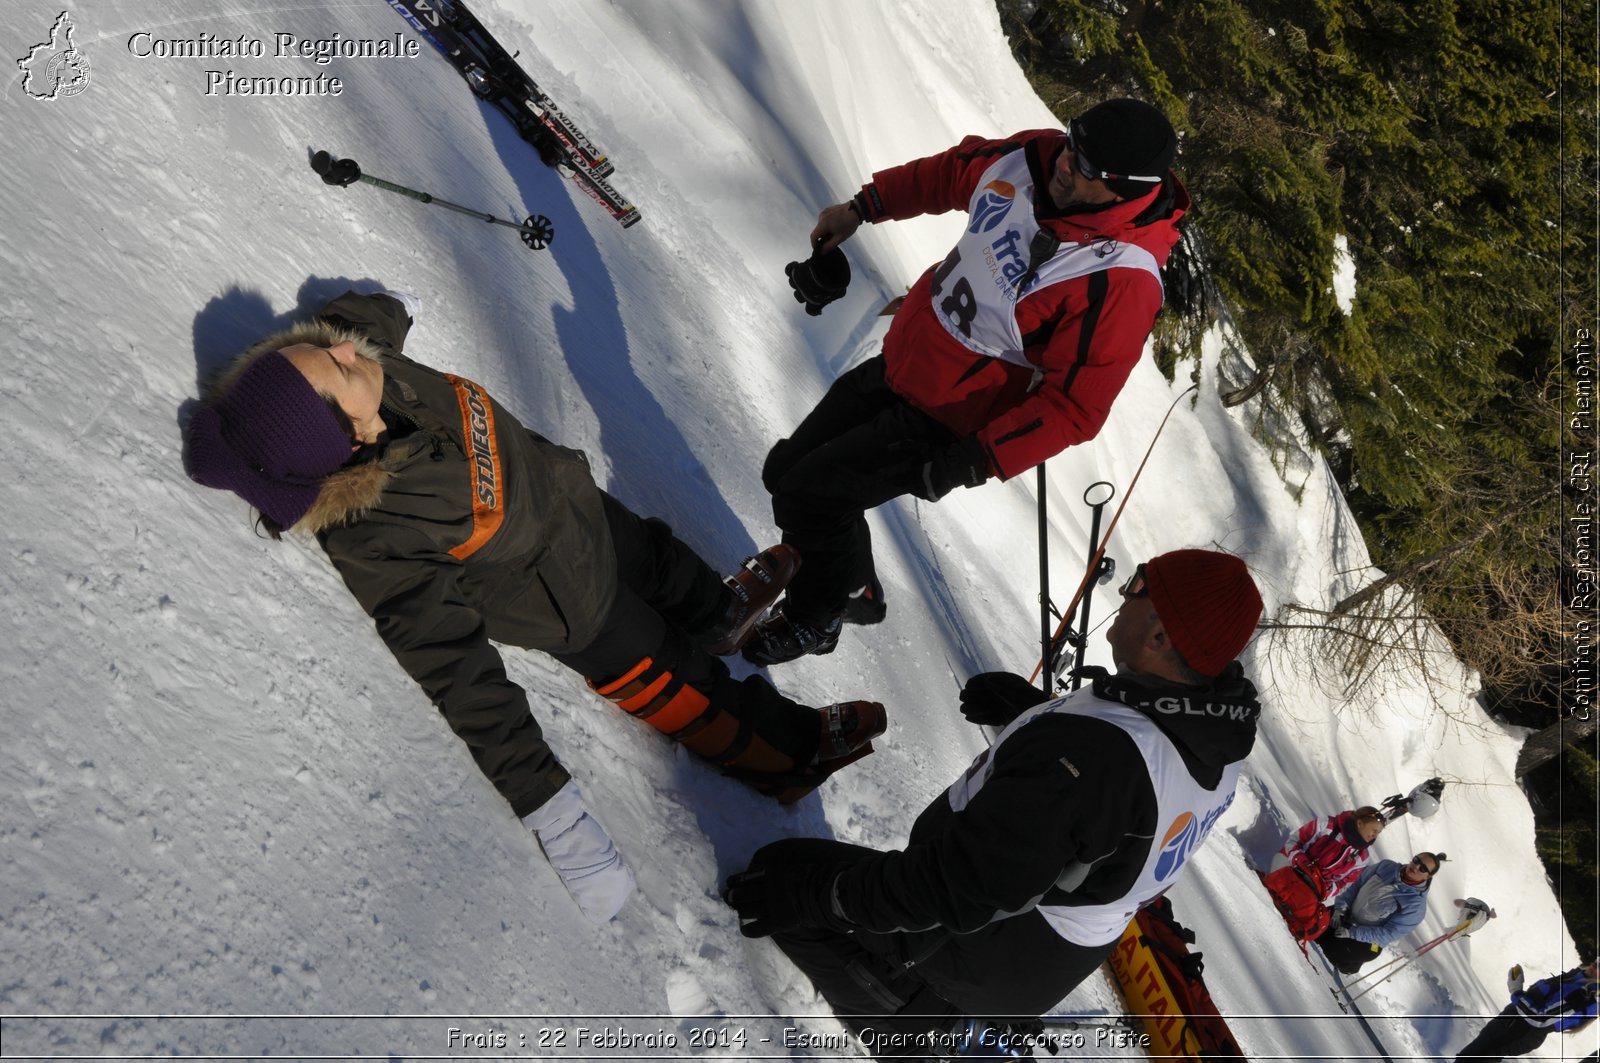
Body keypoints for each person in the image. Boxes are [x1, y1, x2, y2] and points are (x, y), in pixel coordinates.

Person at [183, 289, 885, 923]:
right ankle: (789, 756)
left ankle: (723, 616)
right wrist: (553, 811)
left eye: (320, 347)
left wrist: (366, 318)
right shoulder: (380, 533)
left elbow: (366, 315)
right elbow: (454, 668)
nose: (343, 349)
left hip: (577, 504)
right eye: (336, 366)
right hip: (581, 607)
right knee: (687, 685)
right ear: (351, 440)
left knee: (668, 563)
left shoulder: (363, 365)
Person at [723, 549, 1263, 1057]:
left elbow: (957, 889)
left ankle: (935, 1034)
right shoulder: (1216, 731)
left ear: (1161, 636)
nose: (1124, 595)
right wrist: (1035, 715)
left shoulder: (1092, 760)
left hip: (995, 948)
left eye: (1138, 586)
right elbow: (1121, 805)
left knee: (787, 882)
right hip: (1054, 943)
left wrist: (829, 897)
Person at [744, 98, 1190, 665]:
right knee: (786, 472)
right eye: (1073, 144)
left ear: (1126, 189)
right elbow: (952, 173)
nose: (1066, 163)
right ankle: (854, 587)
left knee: (808, 496)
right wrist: (863, 208)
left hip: (946, 419)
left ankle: (817, 617)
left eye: (1088, 168)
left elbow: (1075, 409)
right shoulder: (1031, 156)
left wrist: (976, 461)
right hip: (904, 357)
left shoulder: (1120, 279)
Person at [1315, 852, 1443, 974]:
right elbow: (1356, 884)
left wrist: (1352, 933)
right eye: (1416, 860)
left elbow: (1388, 934)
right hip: (1345, 915)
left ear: (1428, 876)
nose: (1416, 866)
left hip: (1367, 940)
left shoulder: (1415, 905)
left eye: (1423, 868)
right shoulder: (1386, 867)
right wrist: (1340, 908)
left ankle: (1349, 967)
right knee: (1313, 927)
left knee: (1331, 952)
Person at [1454, 959, 1598, 1061]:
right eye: (1597, 960)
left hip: (1520, 1032)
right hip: (1510, 1020)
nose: (1594, 965)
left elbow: (1541, 1019)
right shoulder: (1578, 976)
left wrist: (1516, 991)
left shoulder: (1587, 997)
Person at [1273, 806, 1386, 902]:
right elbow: (1293, 842)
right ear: (1360, 823)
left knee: (1300, 908)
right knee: (1278, 891)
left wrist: (1326, 890)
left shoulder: (1362, 857)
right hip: (1289, 865)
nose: (1375, 836)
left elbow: (1343, 884)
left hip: (1313, 887)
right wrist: (1300, 861)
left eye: (1379, 833)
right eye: (1374, 830)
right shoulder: (1327, 825)